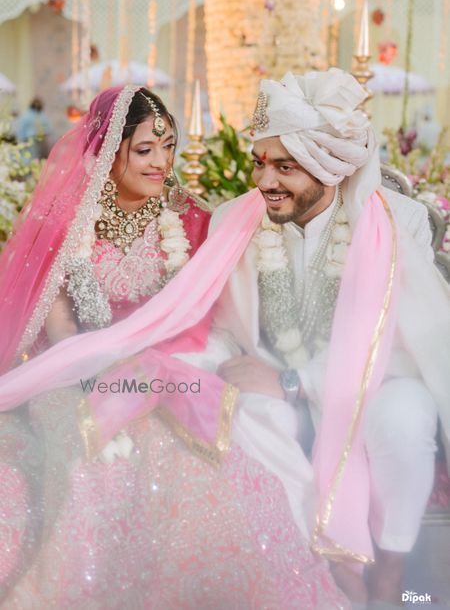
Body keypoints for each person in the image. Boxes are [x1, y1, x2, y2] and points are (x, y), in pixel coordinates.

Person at [0, 85, 347, 608]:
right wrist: (105, 378)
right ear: (105, 152)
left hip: (173, 371)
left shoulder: (193, 218)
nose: (162, 161)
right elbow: (63, 335)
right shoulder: (66, 226)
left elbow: (212, 313)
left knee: (183, 455)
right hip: (75, 375)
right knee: (88, 454)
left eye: (168, 147)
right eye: (145, 149)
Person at [182, 68, 450, 610]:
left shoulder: (398, 220)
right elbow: (216, 326)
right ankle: (309, 571)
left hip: (381, 383)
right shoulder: (234, 219)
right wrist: (195, 374)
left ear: (330, 166)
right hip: (267, 378)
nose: (265, 181)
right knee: (245, 415)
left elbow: (407, 340)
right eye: (260, 162)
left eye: (286, 166)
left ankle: (392, 570)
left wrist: (295, 380)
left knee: (401, 418)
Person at [16, 97, 51, 162]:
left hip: (41, 139)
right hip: (30, 138)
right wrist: (20, 140)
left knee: (38, 156)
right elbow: (22, 128)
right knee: (30, 156)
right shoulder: (27, 115)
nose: (37, 105)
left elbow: (48, 126)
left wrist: (45, 132)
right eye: (35, 103)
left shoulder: (42, 115)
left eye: (38, 103)